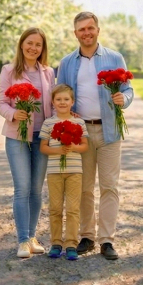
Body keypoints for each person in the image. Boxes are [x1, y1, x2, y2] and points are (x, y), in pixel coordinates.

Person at [56, 12, 133, 260]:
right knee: (84, 188)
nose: (86, 33)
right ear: (75, 33)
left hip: (109, 131)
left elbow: (128, 89)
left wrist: (124, 99)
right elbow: (60, 95)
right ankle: (87, 236)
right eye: (81, 29)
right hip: (81, 134)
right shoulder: (67, 63)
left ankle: (107, 240)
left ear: (98, 30)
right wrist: (66, 113)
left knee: (109, 186)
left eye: (90, 28)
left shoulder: (114, 58)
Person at [0, 27, 55, 258]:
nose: (33, 48)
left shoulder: (48, 72)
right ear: (22, 44)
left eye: (38, 44)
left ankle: (32, 237)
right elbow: (1, 103)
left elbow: (52, 103)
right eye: (29, 43)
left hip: (42, 136)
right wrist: (13, 113)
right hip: (17, 137)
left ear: (43, 48)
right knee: (22, 188)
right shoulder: (9, 70)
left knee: (36, 190)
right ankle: (22, 241)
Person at [39, 84, 89, 261]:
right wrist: (58, 151)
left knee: (73, 209)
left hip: (75, 171)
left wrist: (73, 147)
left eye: (66, 99)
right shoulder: (48, 123)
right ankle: (56, 243)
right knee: (55, 208)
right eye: (58, 99)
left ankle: (71, 244)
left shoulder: (79, 122)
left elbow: (85, 146)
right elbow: (43, 147)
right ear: (52, 102)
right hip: (54, 172)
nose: (62, 102)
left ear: (72, 102)